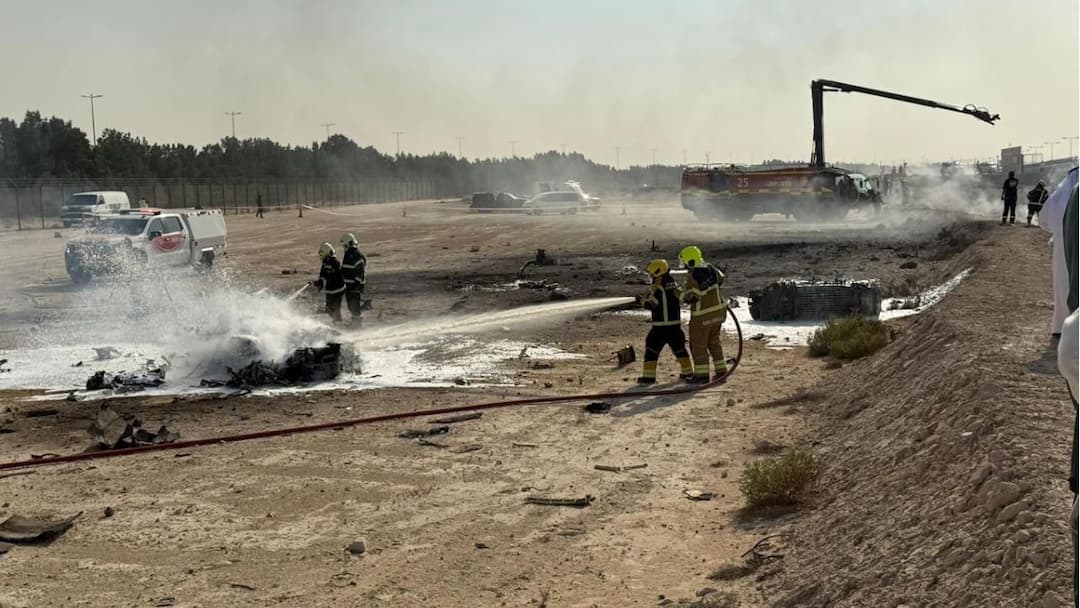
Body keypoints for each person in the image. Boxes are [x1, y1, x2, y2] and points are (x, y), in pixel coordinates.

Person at [636, 259, 694, 384]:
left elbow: (651, 305)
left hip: (660, 327)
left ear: (658, 273)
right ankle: (688, 373)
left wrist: (641, 300)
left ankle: (648, 377)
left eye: (652, 274)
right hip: (675, 326)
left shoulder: (658, 288)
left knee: (651, 350)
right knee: (680, 350)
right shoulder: (672, 283)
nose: (651, 277)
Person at [679, 245, 729, 384]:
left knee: (698, 346)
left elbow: (691, 297)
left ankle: (701, 376)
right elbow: (721, 278)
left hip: (702, 318)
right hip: (719, 314)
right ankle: (721, 372)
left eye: (684, 262)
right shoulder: (712, 269)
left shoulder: (693, 275)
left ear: (690, 261)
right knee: (714, 344)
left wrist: (679, 293)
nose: (684, 265)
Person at [1040, 167, 1079, 336]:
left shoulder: (1060, 196)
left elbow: (1043, 220)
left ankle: (1062, 326)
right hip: (1072, 245)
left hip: (1061, 246)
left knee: (1063, 285)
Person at [312, 242, 345, 323]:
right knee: (329, 309)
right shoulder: (325, 263)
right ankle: (338, 321)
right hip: (330, 290)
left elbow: (330, 275)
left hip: (337, 290)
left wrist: (320, 282)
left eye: (322, 254)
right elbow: (323, 274)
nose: (321, 256)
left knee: (336, 310)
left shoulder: (335, 263)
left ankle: (339, 323)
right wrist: (319, 282)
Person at [340, 233, 367, 325]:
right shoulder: (348, 254)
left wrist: (357, 285)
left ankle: (357, 323)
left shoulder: (357, 255)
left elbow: (360, 272)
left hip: (354, 287)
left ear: (349, 244)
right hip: (348, 286)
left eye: (345, 245)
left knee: (354, 305)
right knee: (351, 305)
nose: (344, 247)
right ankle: (355, 321)